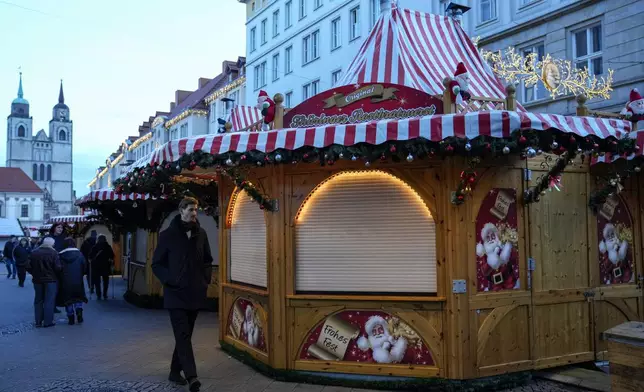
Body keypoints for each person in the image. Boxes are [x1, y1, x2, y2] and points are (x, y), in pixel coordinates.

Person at [152, 197, 213, 392]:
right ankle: (192, 376)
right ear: (181, 210)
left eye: (196, 209)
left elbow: (207, 260)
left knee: (185, 335)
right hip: (175, 295)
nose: (194, 213)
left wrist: (205, 281)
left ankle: (173, 371)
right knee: (183, 335)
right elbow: (156, 264)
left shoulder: (201, 234)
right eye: (190, 209)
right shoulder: (167, 235)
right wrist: (170, 280)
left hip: (195, 292)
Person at [25, 237, 61, 328]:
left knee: (38, 300)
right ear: (52, 244)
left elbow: (28, 266)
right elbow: (58, 268)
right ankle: (48, 322)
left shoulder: (34, 252)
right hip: (51, 280)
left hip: (37, 280)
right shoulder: (54, 253)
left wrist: (34, 273)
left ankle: (38, 321)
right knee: (49, 301)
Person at [58, 237, 88, 325]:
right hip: (78, 280)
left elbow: (58, 268)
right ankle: (79, 312)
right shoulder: (80, 254)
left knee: (68, 300)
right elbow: (84, 267)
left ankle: (70, 317)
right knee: (78, 297)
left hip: (65, 281)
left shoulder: (60, 256)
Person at [88, 235, 114, 300]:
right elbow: (112, 256)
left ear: (98, 239)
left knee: (97, 281)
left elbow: (90, 256)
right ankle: (105, 294)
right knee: (105, 281)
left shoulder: (95, 247)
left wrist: (91, 260)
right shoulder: (108, 247)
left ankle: (98, 294)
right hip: (105, 266)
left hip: (96, 266)